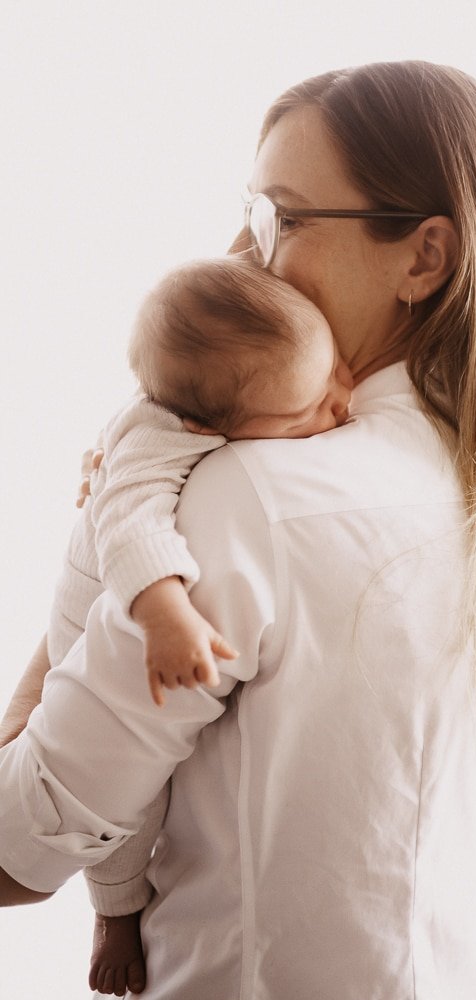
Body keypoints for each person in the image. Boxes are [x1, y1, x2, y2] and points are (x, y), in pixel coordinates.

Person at [0, 61, 476, 999]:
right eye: (250, 212)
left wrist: (120, 510)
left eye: (283, 218)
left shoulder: (247, 498)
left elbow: (18, 852)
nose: (242, 254)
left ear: (423, 258)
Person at [0, 254, 352, 995]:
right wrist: (166, 617)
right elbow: (131, 529)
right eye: (306, 413)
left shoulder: (236, 368)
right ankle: (116, 912)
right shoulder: (158, 442)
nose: (340, 405)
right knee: (131, 808)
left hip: (92, 597)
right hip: (93, 614)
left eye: (337, 374)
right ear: (203, 426)